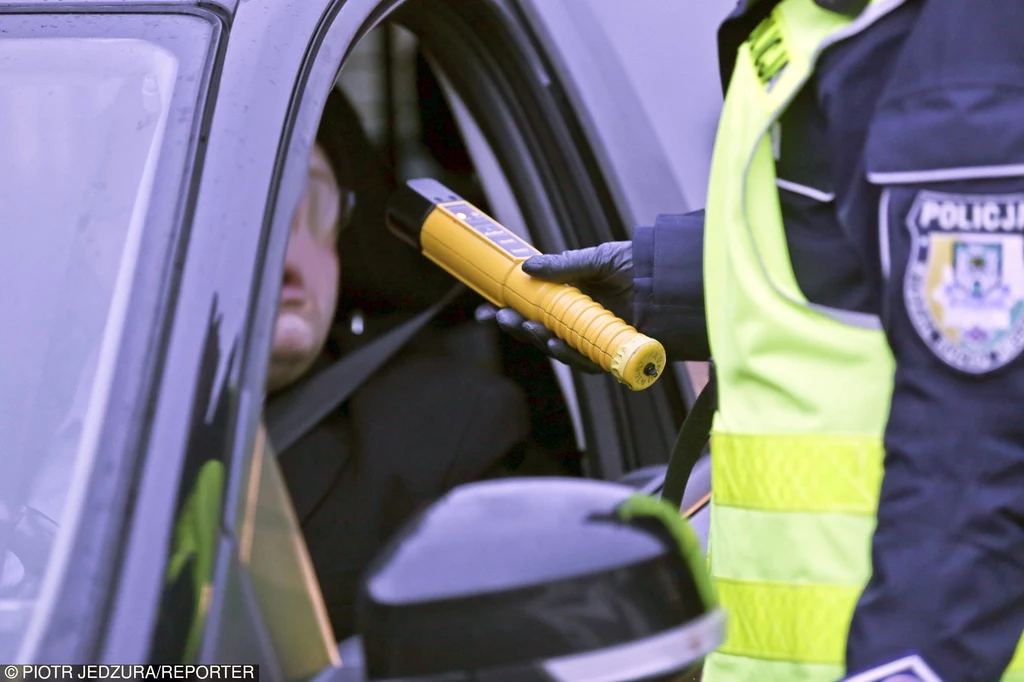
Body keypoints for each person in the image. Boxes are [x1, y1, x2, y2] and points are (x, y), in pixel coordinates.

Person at [496, 1, 1024, 681]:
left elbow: (977, 442)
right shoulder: (834, 17)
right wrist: (672, 282)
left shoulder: (945, 41)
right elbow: (852, 227)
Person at [264, 87, 541, 642]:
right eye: (251, 213)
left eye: (310, 203)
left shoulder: (453, 431)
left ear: (346, 224)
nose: (289, 255)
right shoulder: (67, 432)